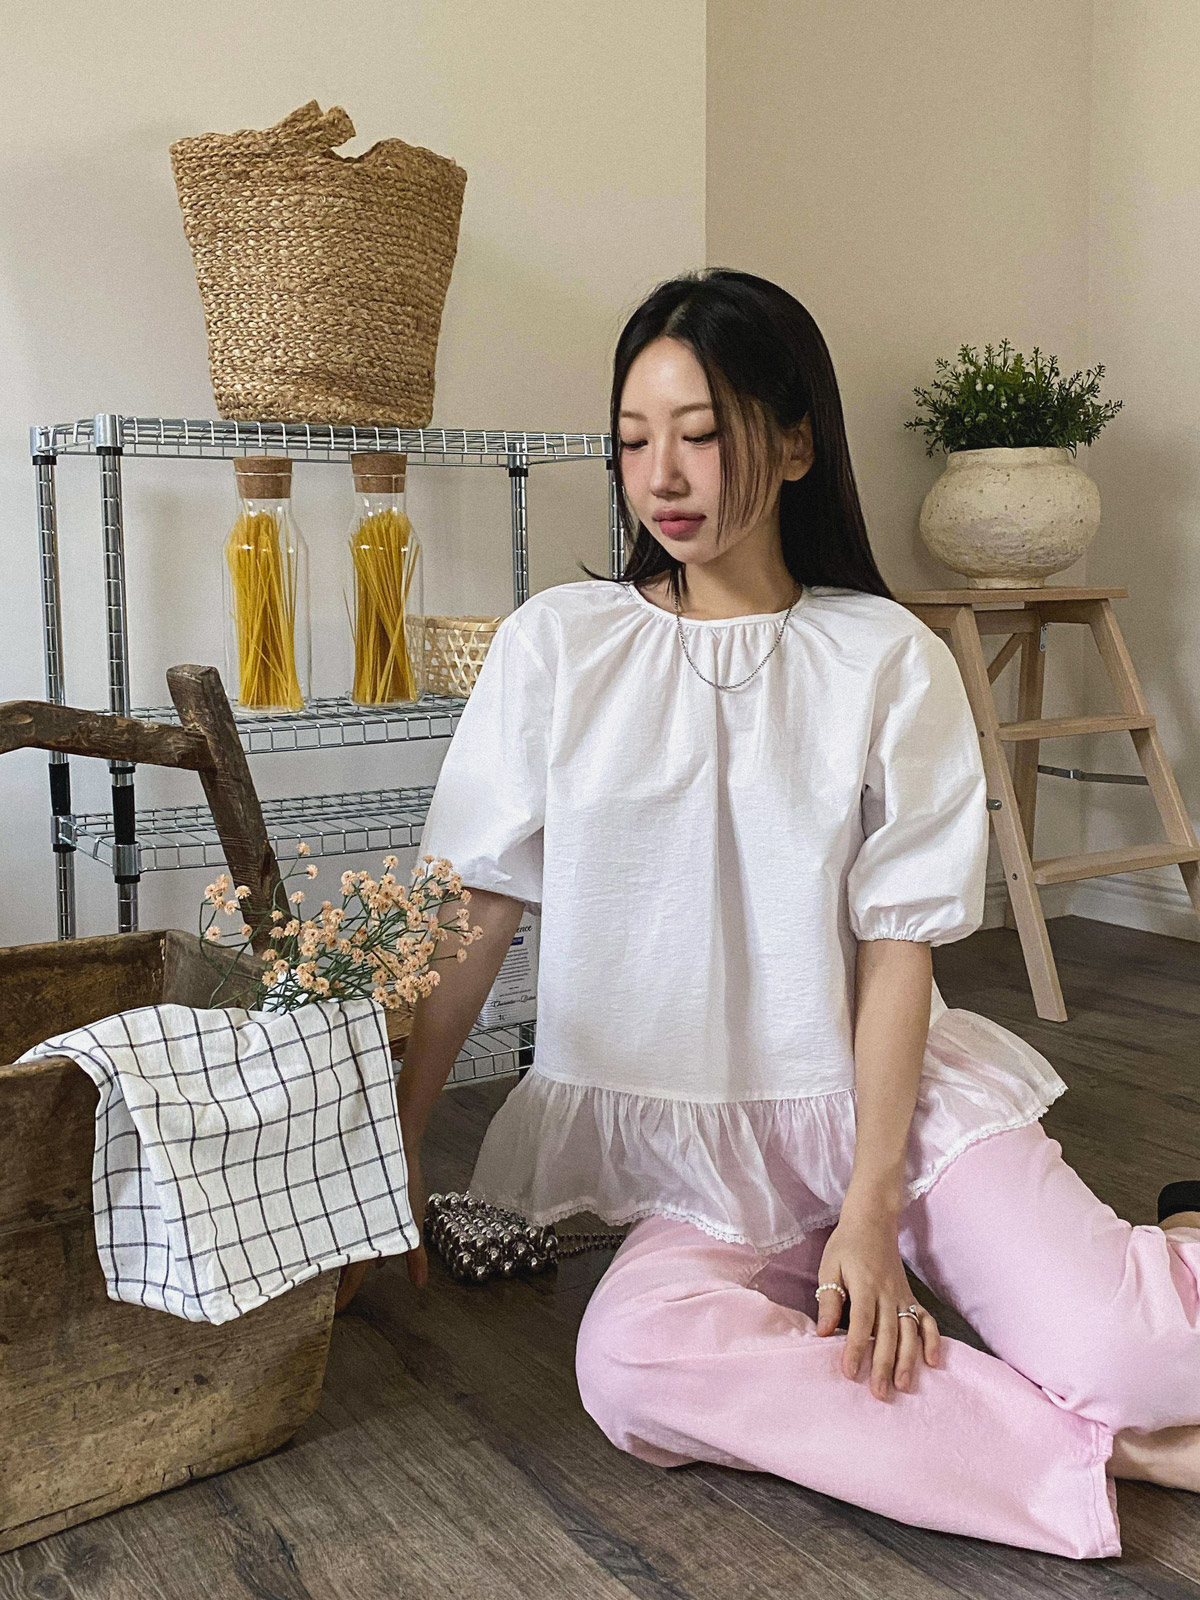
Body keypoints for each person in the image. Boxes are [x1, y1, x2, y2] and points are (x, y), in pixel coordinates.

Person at [396, 269, 1200, 1560]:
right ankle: (1103, 1452)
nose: (663, 476)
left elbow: (898, 949)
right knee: (636, 1365)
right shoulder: (558, 645)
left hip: (892, 1103)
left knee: (1140, 1356)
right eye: (634, 439)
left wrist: (871, 1212)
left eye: (701, 434)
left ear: (794, 444)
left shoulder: (884, 656)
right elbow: (474, 914)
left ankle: (1173, 1266)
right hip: (713, 1153)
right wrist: (392, 1151)